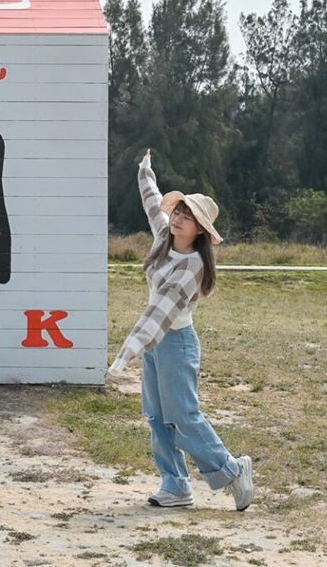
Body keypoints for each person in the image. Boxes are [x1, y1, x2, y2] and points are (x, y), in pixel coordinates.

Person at [106, 148, 254, 511]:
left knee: (183, 416)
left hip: (175, 343)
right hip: (157, 346)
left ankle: (232, 470)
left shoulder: (192, 266)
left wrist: (122, 359)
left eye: (188, 217)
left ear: (200, 229)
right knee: (157, 416)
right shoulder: (163, 238)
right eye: (180, 212)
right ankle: (176, 484)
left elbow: (157, 316)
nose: (178, 219)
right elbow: (152, 202)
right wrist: (145, 170)